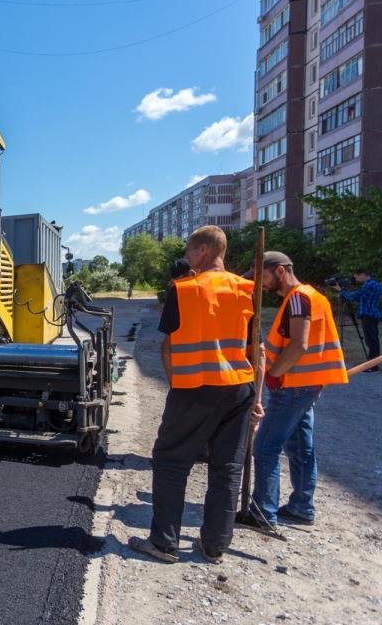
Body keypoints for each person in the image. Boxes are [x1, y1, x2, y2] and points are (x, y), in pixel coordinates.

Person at [130, 226, 256, 565]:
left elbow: (168, 348)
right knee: (227, 468)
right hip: (239, 388)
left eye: (189, 249)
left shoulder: (185, 290)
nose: (186, 256)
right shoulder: (245, 288)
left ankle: (164, 543)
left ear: (203, 250)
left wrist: (176, 384)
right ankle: (215, 546)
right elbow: (250, 345)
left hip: (195, 387)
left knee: (171, 461)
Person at [239, 252, 348, 531]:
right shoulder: (313, 296)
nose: (261, 284)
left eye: (262, 276)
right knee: (301, 448)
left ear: (279, 271)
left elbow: (299, 345)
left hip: (293, 387)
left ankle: (264, 513)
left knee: (264, 448)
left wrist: (275, 373)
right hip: (307, 385)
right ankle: (301, 506)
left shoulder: (299, 298)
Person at [340, 268, 380, 370]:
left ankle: (373, 365)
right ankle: (373, 363)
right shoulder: (375, 284)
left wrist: (342, 290)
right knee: (372, 339)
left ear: (363, 274)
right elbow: (360, 298)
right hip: (373, 314)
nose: (356, 279)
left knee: (371, 340)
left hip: (368, 314)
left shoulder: (368, 285)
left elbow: (353, 297)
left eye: (356, 276)